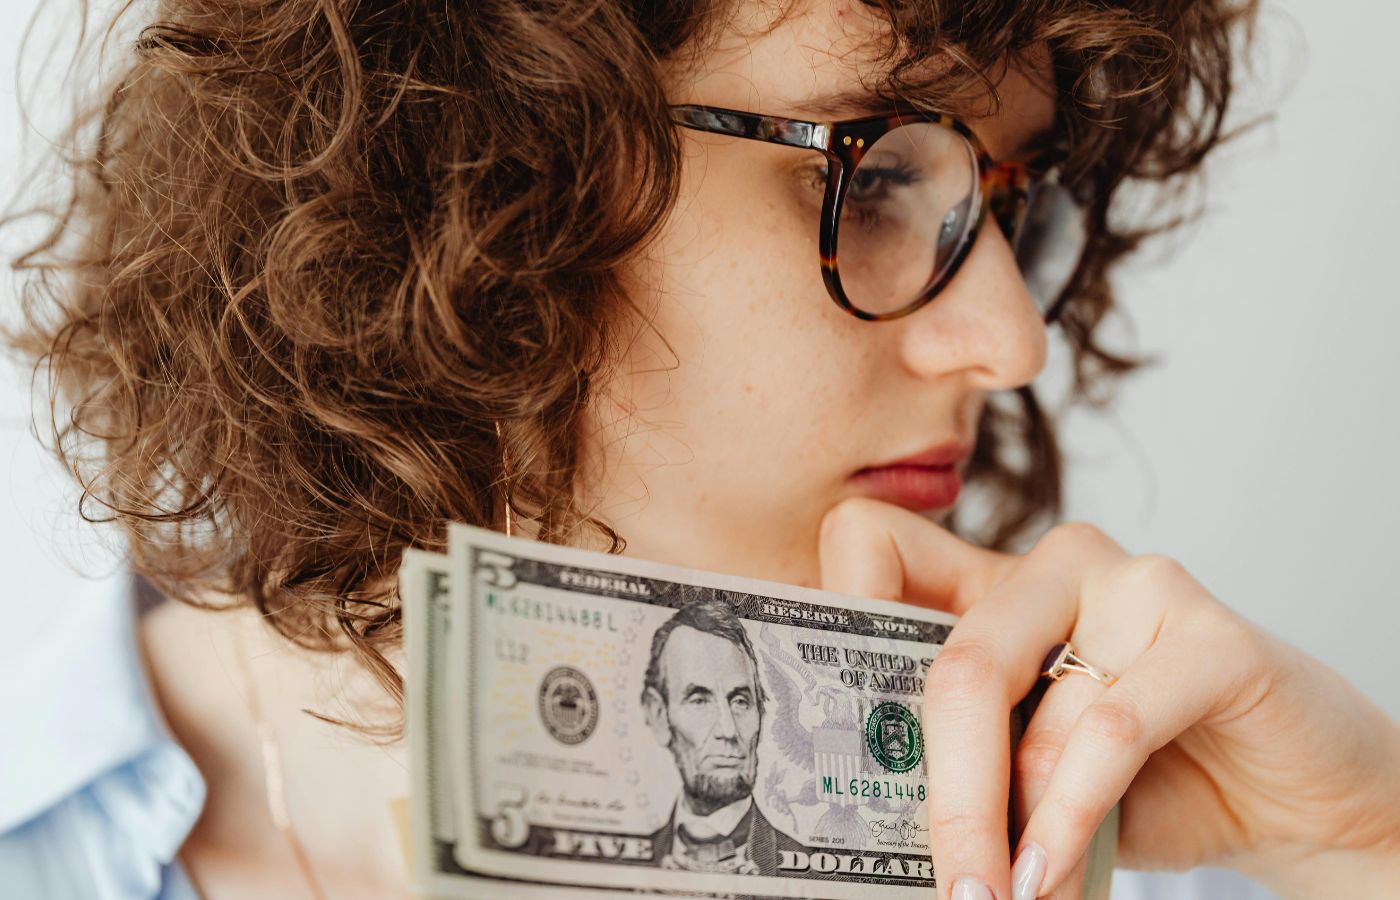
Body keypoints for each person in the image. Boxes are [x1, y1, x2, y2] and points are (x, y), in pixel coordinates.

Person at [2, 0, 1398, 898]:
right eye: (879, 177)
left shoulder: (1132, 840)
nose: (1011, 339)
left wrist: (1361, 847)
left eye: (1004, 201)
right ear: (479, 163)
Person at [640, 597, 804, 874]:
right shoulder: (622, 865)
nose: (728, 731)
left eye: (740, 701)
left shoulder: (815, 876)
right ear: (658, 715)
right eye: (699, 701)